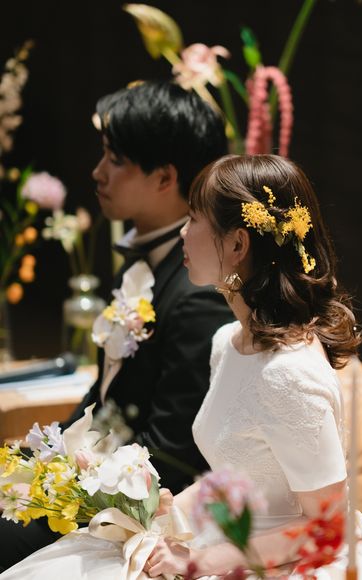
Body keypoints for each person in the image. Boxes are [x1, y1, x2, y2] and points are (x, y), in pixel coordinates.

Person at [0, 154, 362, 579]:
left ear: (237, 245)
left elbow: (330, 525)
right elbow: (238, 473)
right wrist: (164, 508)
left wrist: (202, 560)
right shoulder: (228, 342)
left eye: (195, 219)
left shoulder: (287, 374)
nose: (183, 232)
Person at [0, 80, 233, 572]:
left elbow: (174, 453)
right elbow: (106, 399)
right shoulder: (145, 261)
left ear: (165, 177)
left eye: (115, 159)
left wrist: (65, 488)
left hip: (136, 509)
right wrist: (37, 462)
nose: (97, 172)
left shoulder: (199, 296)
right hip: (93, 474)